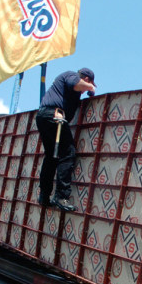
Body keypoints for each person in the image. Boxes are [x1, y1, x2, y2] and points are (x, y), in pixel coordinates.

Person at [36, 67, 96, 212]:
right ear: (86, 78)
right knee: (68, 152)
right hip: (54, 116)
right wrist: (91, 88)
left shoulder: (69, 92)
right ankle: (61, 196)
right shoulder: (70, 75)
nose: (83, 92)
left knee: (51, 157)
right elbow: (77, 84)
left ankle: (44, 195)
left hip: (45, 116)